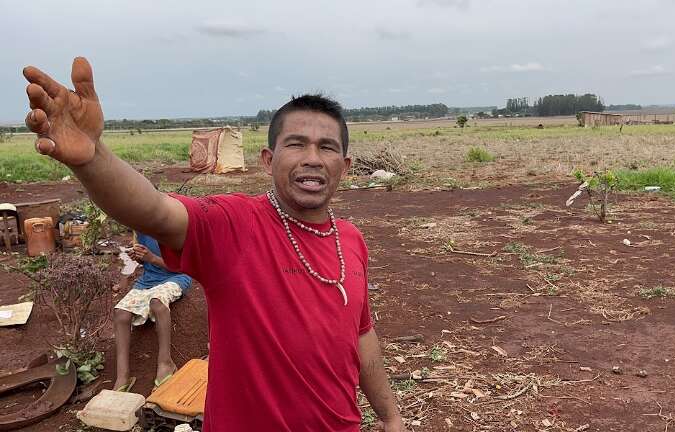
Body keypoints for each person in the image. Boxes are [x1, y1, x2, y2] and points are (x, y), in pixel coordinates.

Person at [22, 57, 404, 431]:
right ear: (268, 161)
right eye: (296, 144)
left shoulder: (350, 239)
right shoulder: (235, 224)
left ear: (346, 165)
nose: (312, 159)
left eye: (327, 147)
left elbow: (361, 333)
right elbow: (154, 210)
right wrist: (94, 158)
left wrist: (390, 417)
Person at [112, 232, 192, 392]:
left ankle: (165, 362)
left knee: (157, 302)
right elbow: (132, 261)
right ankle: (122, 375)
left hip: (176, 277)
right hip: (147, 280)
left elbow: (185, 266)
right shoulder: (140, 230)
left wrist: (152, 258)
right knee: (121, 313)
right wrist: (123, 281)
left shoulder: (174, 229)